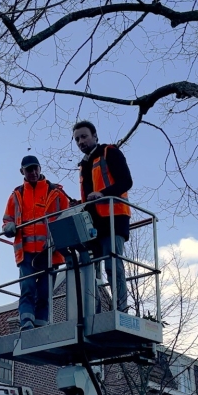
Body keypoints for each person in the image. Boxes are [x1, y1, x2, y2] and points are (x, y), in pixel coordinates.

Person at [2, 155, 70, 331]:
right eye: (28, 169)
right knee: (28, 289)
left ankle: (41, 324)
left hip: (50, 252)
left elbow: (67, 216)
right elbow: (7, 219)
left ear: (40, 168)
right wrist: (8, 226)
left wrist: (58, 240)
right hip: (26, 252)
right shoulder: (17, 195)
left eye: (35, 168)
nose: (32, 172)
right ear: (22, 171)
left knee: (45, 292)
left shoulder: (55, 192)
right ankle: (26, 322)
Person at [73, 120, 132, 313]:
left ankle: (121, 308)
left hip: (113, 217)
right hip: (93, 222)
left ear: (95, 136)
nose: (81, 141)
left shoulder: (109, 152)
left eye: (84, 136)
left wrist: (103, 194)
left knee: (112, 264)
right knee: (92, 269)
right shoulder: (83, 165)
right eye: (77, 139)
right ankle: (95, 311)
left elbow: (126, 181)